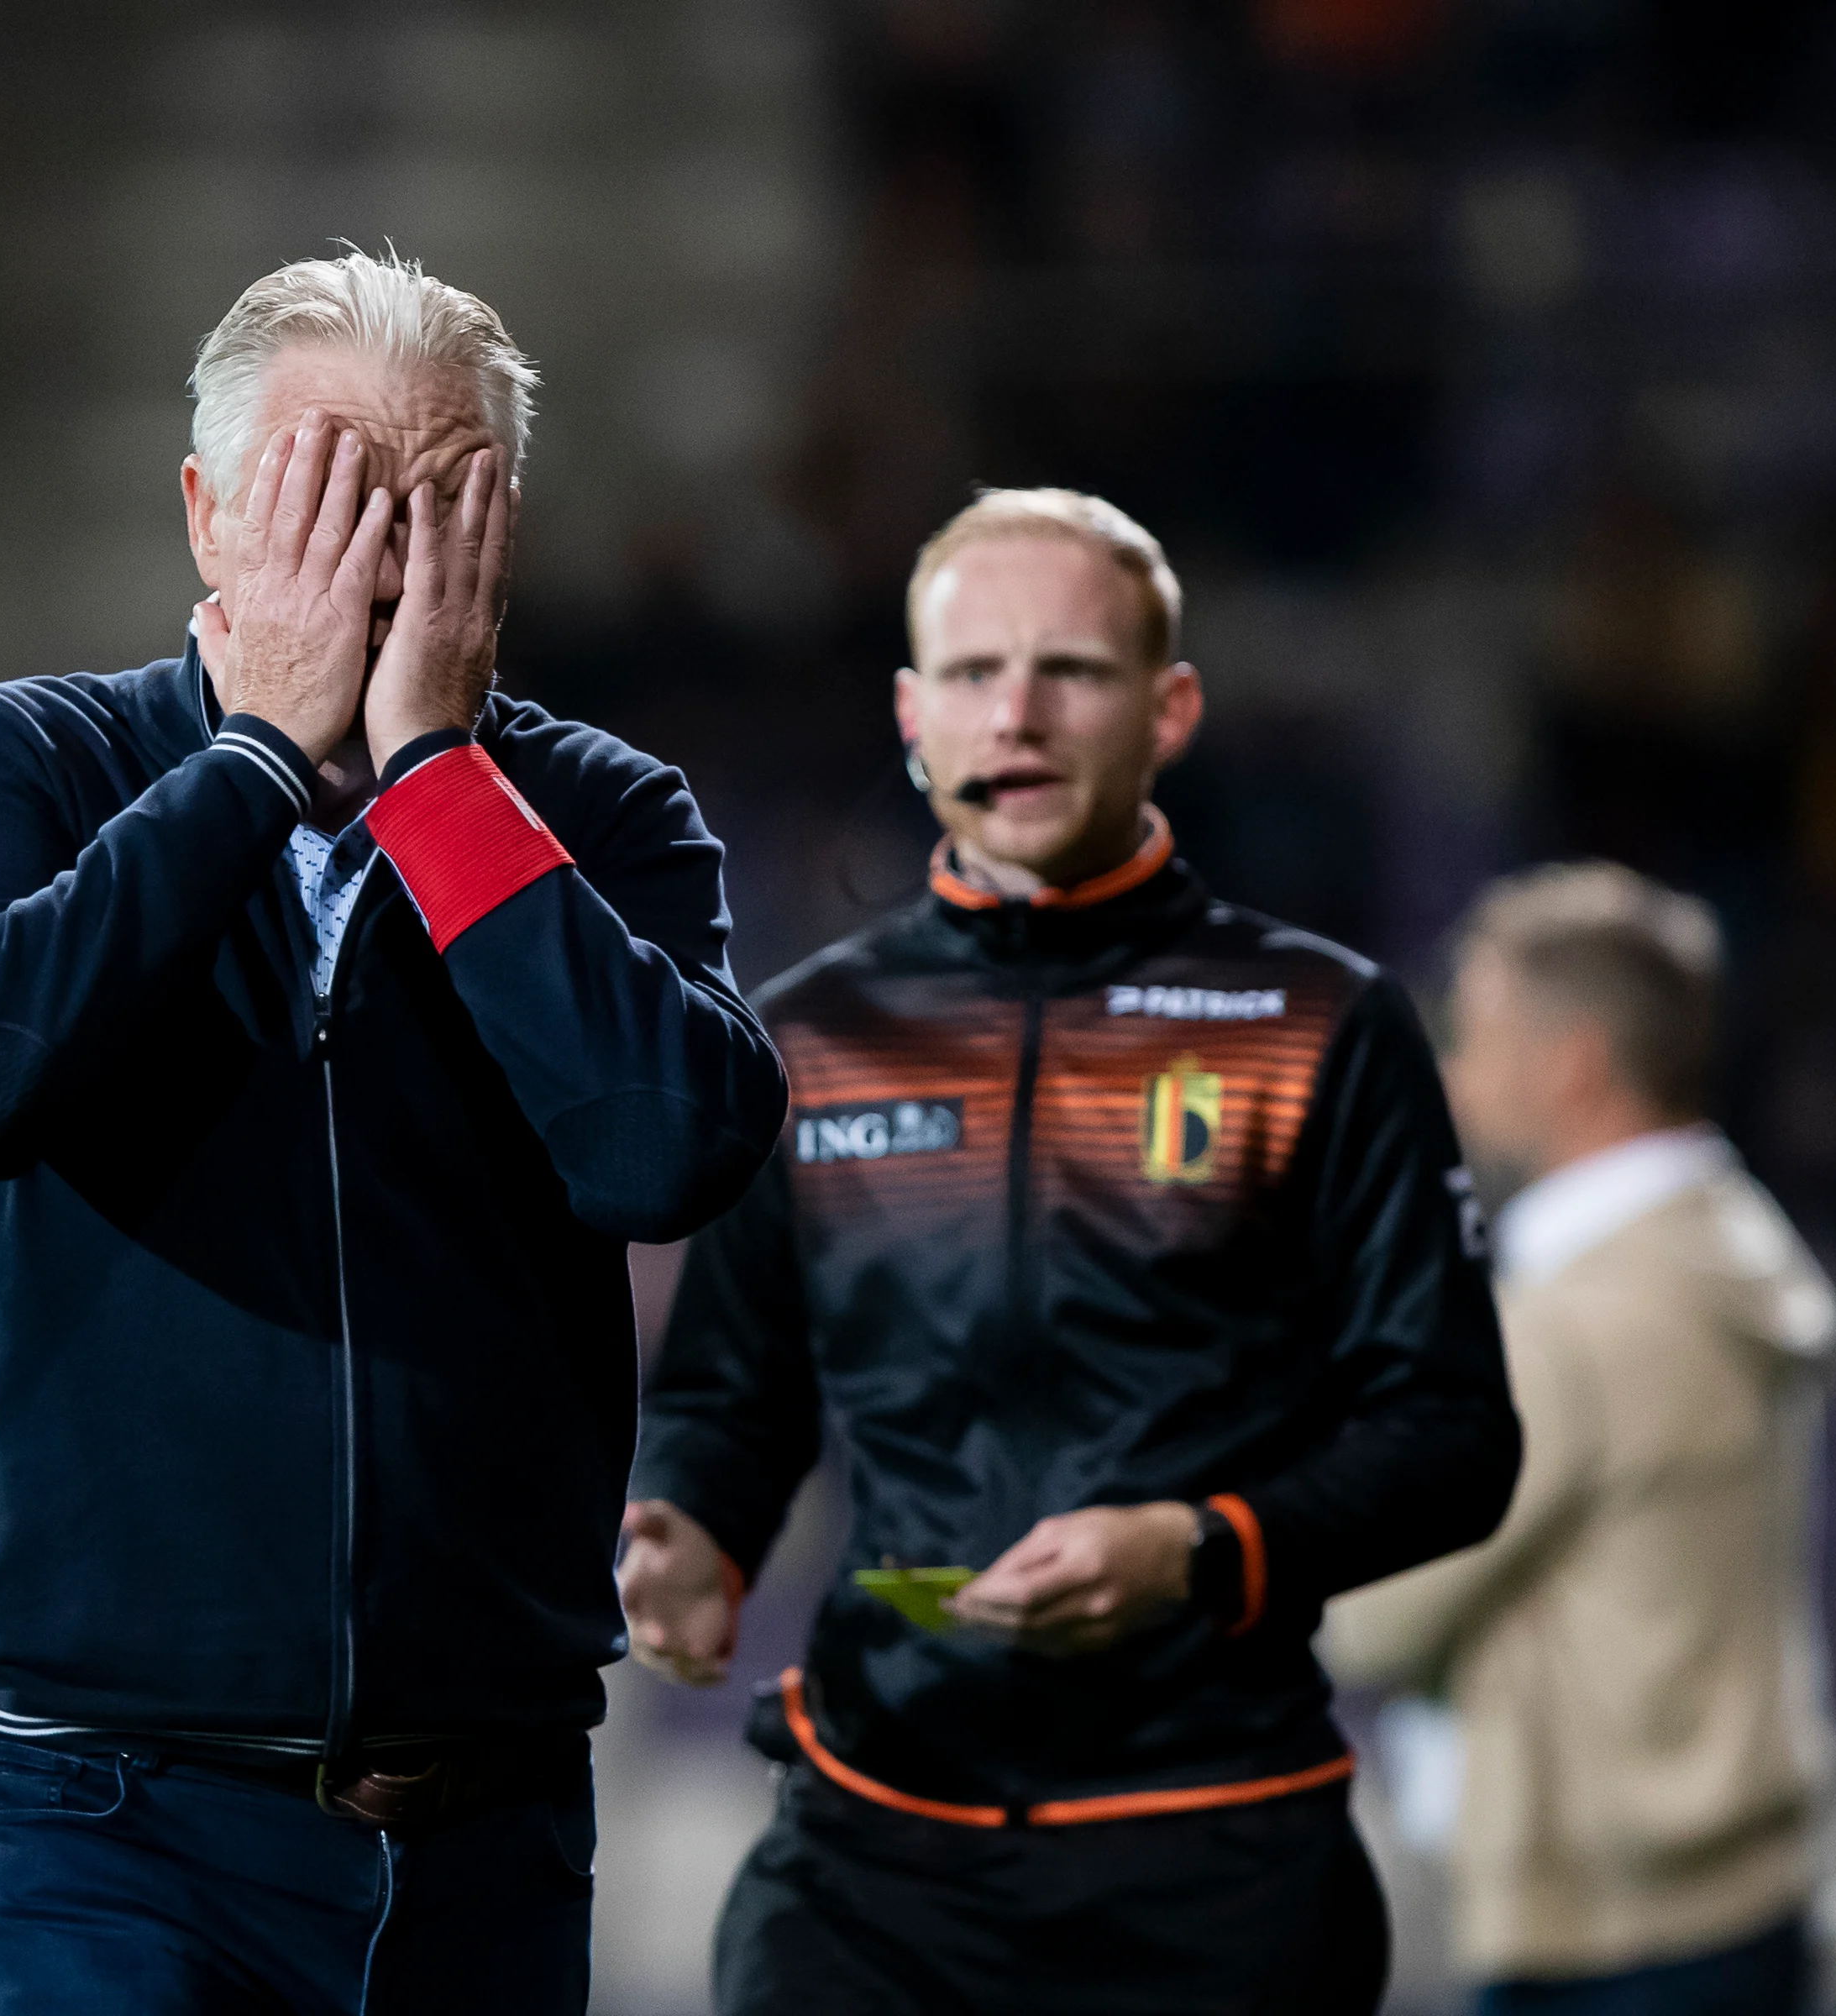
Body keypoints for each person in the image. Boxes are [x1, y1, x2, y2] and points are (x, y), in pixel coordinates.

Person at [0, 250, 787, 2014]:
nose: (381, 557)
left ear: (503, 535)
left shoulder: (605, 813)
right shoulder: (19, 763)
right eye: (328, 494)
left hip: (491, 1823)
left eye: (436, 501)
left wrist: (438, 781)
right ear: (211, 516)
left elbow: (664, 1147)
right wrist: (258, 759)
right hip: (109, 1807)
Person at [616, 487, 1523, 2014]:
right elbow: (731, 1391)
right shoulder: (813, 1039)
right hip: (869, 1853)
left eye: (1072, 672)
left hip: (1213, 1857)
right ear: (913, 713)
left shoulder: (1321, 1028)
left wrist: (1200, 1549)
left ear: (1168, 709)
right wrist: (689, 1526)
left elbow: (1455, 1438)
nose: (1016, 714)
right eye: (973, 675)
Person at [1325, 864, 1836, 2016]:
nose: (1453, 1073)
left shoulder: (1583, 1321)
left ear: (1573, 1064)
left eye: (1476, 1035)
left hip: (1622, 1934)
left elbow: (1375, 1604)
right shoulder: (1716, 1246)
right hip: (1725, 1901)